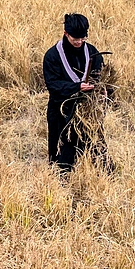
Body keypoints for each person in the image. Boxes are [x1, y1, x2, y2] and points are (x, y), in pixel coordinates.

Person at [43, 13, 107, 171]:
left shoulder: (92, 52)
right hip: (61, 111)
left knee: (98, 151)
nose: (79, 42)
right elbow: (53, 85)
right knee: (62, 158)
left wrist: (102, 90)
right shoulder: (52, 56)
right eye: (74, 38)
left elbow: (100, 76)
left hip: (87, 112)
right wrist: (77, 87)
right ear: (66, 34)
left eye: (82, 38)